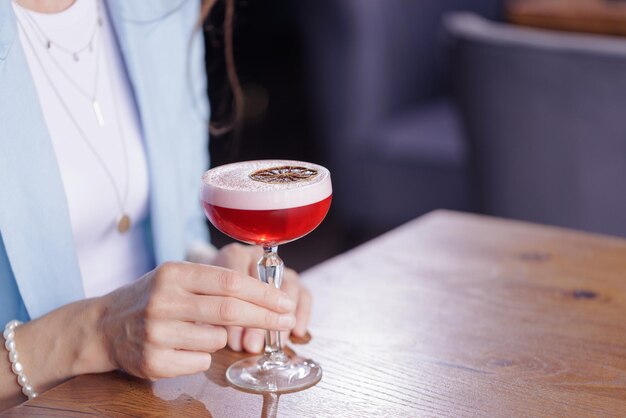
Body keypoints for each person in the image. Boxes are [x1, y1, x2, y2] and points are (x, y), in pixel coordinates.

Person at [0, 0, 311, 410]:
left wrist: (212, 276)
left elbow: (177, 227)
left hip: (160, 399)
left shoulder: (164, 8)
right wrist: (96, 333)